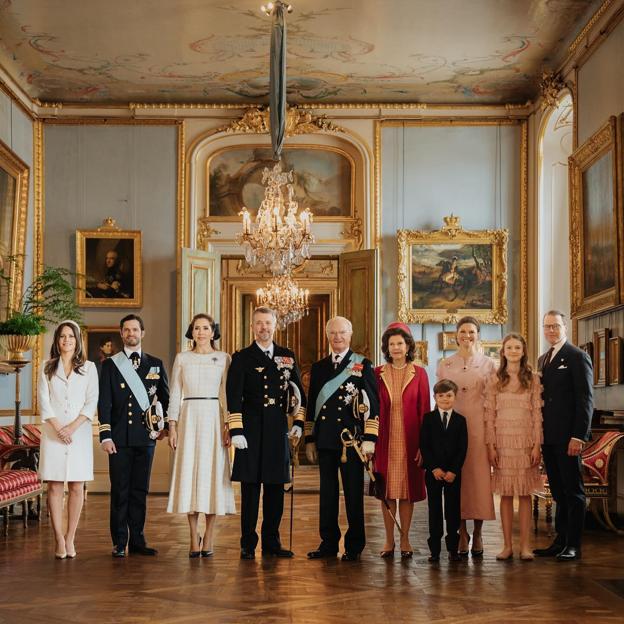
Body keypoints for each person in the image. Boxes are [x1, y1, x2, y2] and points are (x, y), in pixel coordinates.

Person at [226, 306, 306, 560]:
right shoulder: (241, 357)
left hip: (276, 430)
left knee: (275, 489)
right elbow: (233, 397)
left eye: (268, 323)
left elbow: (299, 394)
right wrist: (236, 429)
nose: (264, 328)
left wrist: (299, 422)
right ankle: (248, 543)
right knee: (250, 490)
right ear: (252, 327)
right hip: (248, 430)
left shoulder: (287, 356)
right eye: (259, 323)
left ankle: (272, 542)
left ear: (275, 325)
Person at [305, 316, 379, 562]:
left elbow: (373, 406)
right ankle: (328, 543)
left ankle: (354, 545)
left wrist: (370, 439)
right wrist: (309, 439)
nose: (337, 337)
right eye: (333, 333)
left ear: (350, 334)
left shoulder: (362, 365)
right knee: (327, 494)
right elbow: (310, 405)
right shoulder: (319, 367)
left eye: (342, 333)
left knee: (353, 494)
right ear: (327, 336)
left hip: (352, 443)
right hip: (325, 440)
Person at [98, 314, 170, 558]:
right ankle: (119, 541)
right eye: (126, 330)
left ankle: (138, 540)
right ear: (121, 333)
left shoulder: (156, 365)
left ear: (143, 333)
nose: (131, 334)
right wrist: (105, 436)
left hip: (145, 438)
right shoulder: (110, 365)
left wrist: (165, 428)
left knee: (140, 491)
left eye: (135, 330)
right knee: (120, 490)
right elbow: (104, 403)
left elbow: (166, 399)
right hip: (118, 438)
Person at [167, 313, 235, 557]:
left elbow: (227, 394)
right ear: (191, 332)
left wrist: (229, 425)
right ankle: (192, 537)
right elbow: (175, 392)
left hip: (214, 419)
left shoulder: (223, 358)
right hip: (189, 418)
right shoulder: (182, 358)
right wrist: (172, 426)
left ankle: (209, 537)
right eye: (196, 328)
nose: (201, 332)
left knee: (212, 476)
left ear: (213, 331)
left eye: (206, 328)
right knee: (190, 475)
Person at [533, 310, 593, 561]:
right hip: (549, 437)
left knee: (573, 492)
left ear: (564, 327)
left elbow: (585, 399)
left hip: (569, 437)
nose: (550, 331)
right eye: (547, 327)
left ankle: (573, 545)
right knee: (558, 491)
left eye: (555, 326)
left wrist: (579, 436)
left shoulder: (577, 356)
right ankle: (560, 541)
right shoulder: (542, 359)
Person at [38, 320, 99, 559]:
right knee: (54, 486)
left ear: (77, 340)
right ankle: (58, 539)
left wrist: (71, 428)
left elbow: (91, 401)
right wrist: (57, 427)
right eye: (62, 336)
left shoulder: (89, 368)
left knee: (76, 486)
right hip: (53, 433)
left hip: (79, 434)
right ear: (57, 340)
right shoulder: (46, 367)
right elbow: (43, 401)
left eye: (71, 336)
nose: (67, 340)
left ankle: (71, 537)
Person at [436, 315, 496, 557]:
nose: (467, 336)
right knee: (456, 481)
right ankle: (462, 532)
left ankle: (479, 532)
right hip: (453, 428)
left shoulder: (489, 364)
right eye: (463, 331)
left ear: (478, 335)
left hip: (479, 428)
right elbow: (439, 400)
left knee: (479, 481)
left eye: (472, 332)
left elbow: (493, 401)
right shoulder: (445, 364)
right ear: (456, 334)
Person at [484, 333, 543, 561]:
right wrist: (491, 445)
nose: (513, 351)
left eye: (517, 347)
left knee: (525, 493)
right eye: (509, 347)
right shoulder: (494, 380)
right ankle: (507, 545)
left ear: (523, 350)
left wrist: (537, 444)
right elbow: (489, 415)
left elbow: (538, 415)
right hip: (502, 443)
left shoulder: (533, 379)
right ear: (503, 351)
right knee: (506, 494)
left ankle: (525, 546)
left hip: (526, 442)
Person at [374, 322, 430, 558]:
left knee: (407, 492)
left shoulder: (419, 373)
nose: (396, 347)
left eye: (400, 343)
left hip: (410, 441)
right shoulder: (377, 373)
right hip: (384, 441)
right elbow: (371, 410)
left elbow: (425, 411)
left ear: (408, 346)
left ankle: (405, 538)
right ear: (387, 347)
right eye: (392, 344)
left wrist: (424, 446)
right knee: (387, 492)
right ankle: (389, 541)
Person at [420, 379, 468, 563]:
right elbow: (424, 446)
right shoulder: (428, 419)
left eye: (449, 396)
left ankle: (453, 549)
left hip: (452, 475)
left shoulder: (460, 421)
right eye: (441, 396)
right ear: (435, 397)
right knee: (435, 510)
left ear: (455, 397)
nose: (445, 399)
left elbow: (462, 448)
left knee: (452, 510)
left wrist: (453, 471)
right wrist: (434, 468)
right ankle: (434, 550)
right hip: (434, 473)